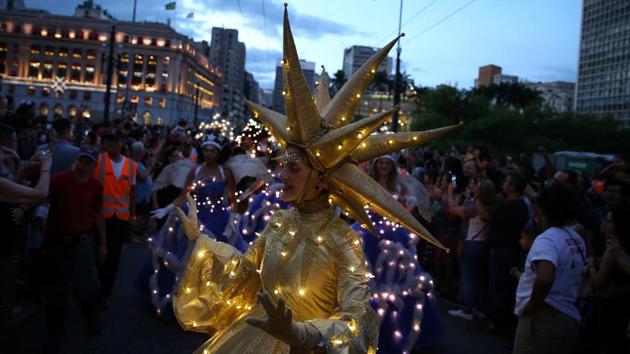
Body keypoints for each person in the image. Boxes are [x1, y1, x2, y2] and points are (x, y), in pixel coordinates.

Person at [170, 6, 454, 352]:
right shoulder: (278, 223)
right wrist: (200, 240)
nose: (281, 174)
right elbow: (239, 271)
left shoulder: (343, 241)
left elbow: (357, 315)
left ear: (322, 179)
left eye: (294, 167)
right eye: (283, 164)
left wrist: (306, 334)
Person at [354, 155, 442, 353]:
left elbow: (404, 211)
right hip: (371, 234)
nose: (384, 166)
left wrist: (405, 205)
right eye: (381, 162)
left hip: (395, 236)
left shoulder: (401, 187)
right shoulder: (367, 183)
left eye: (387, 163)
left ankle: (402, 331)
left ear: (392, 166)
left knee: (401, 278)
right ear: (376, 164)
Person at [42, 146, 107, 353]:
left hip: (83, 242)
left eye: (89, 162)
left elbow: (98, 213)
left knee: (85, 286)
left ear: (94, 165)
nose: (84, 165)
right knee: (57, 291)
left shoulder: (96, 186)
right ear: (77, 160)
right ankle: (54, 335)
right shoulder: (60, 179)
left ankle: (91, 318)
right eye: (82, 160)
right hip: (59, 241)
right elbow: (44, 200)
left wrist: (103, 243)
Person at [513, 185, 585, 354]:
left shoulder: (546, 239)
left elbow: (545, 277)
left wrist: (532, 305)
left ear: (540, 211)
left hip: (543, 319)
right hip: (567, 317)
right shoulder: (575, 238)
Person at [0, 150, 51, 350]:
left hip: (8, 245)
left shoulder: (5, 182)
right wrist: (46, 167)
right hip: (4, 250)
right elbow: (40, 193)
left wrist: (26, 169)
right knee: (4, 301)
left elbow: (12, 186)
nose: (4, 158)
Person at [93, 129, 137, 308]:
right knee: (99, 255)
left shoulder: (131, 165)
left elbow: (132, 192)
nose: (112, 145)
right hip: (101, 216)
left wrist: (133, 216)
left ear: (121, 143)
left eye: (115, 141)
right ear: (104, 144)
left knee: (114, 257)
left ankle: (105, 293)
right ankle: (95, 289)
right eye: (109, 142)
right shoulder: (99, 160)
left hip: (121, 217)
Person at [481, 172, 530, 332]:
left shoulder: (509, 204)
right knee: (505, 286)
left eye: (507, 182)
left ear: (512, 186)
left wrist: (476, 199)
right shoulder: (522, 204)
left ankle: (496, 322)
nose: (503, 184)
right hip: (512, 249)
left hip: (501, 250)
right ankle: (502, 320)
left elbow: (486, 217)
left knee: (497, 286)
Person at [448, 176, 496, 320]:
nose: (473, 187)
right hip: (484, 244)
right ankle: (479, 308)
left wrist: (449, 191)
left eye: (476, 186)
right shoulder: (492, 205)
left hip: (471, 243)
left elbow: (452, 209)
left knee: (468, 277)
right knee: (480, 278)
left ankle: (467, 310)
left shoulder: (474, 207)